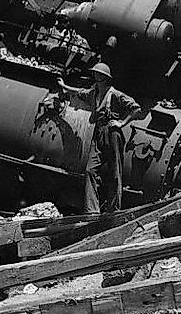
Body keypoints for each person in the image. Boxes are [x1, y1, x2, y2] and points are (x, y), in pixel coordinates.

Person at [58, 63, 145, 214]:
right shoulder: (93, 93)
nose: (96, 76)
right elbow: (79, 92)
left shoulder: (116, 95)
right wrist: (64, 86)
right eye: (95, 73)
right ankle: (92, 211)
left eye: (99, 74)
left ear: (105, 77)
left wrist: (121, 123)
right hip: (98, 134)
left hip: (112, 134)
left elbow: (136, 109)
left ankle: (113, 210)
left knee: (115, 173)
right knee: (90, 170)